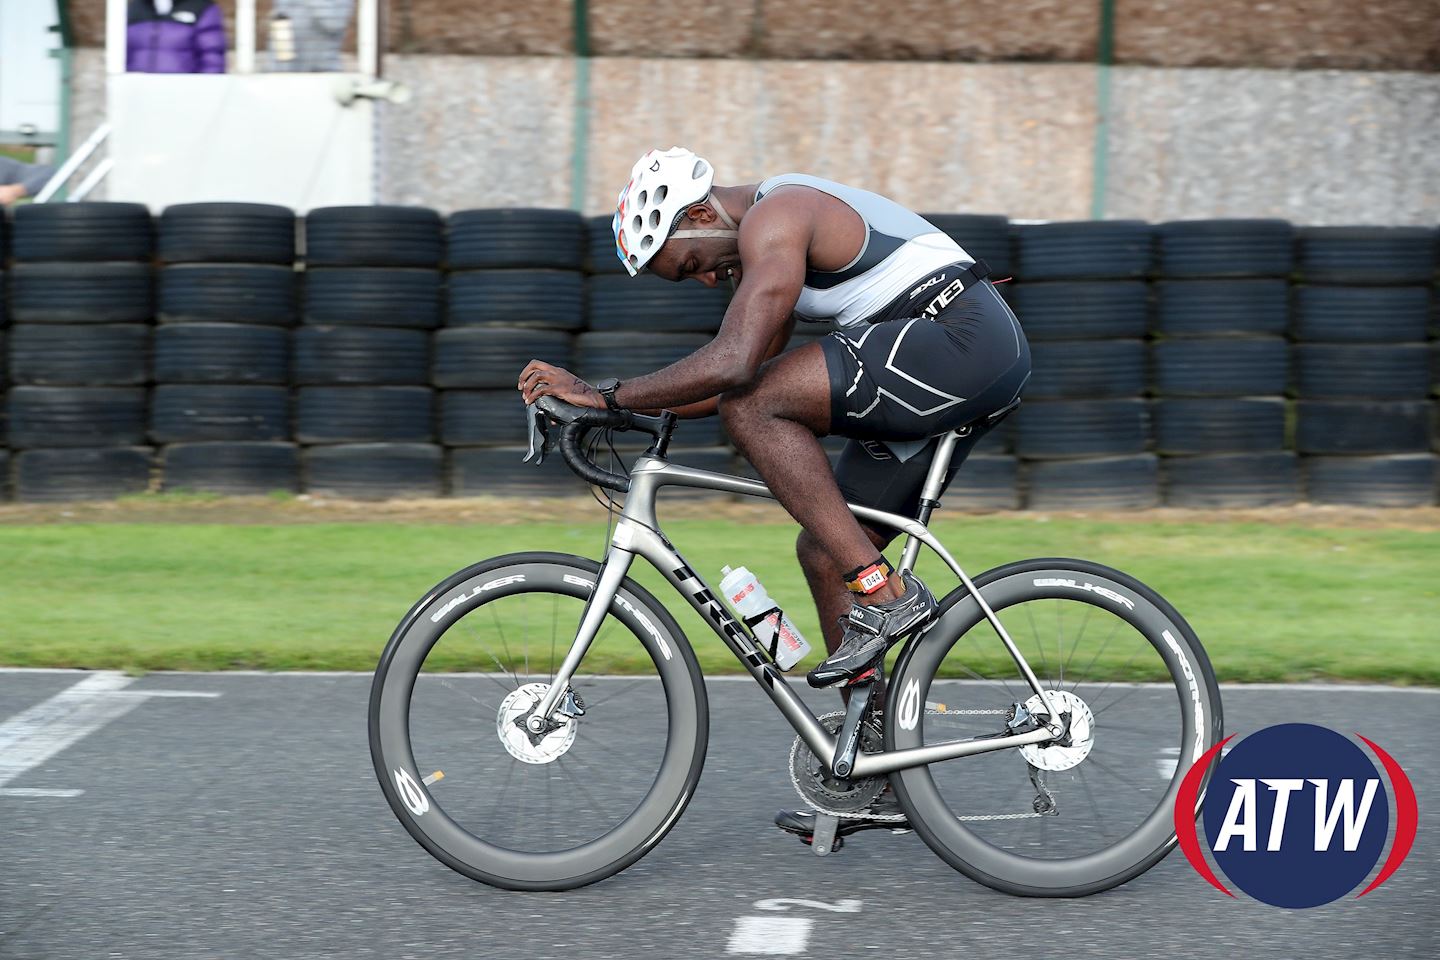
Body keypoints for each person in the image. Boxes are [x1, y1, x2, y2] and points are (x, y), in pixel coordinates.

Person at [517, 146, 1031, 836]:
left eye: (694, 265)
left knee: (761, 421)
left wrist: (603, 393)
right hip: (947, 352)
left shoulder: (776, 217)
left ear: (700, 214)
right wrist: (622, 412)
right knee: (825, 551)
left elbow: (732, 373)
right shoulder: (766, 245)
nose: (705, 283)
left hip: (960, 338)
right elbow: (740, 370)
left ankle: (885, 591)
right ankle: (872, 761)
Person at [127, 0, 226, 74]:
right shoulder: (135, 8)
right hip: (139, 91)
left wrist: (205, 92)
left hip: (183, 91)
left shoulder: (200, 7)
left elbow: (213, 58)